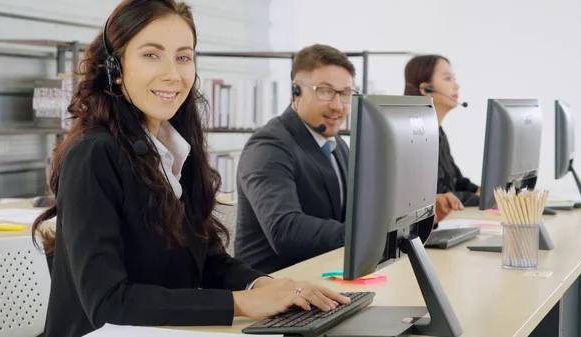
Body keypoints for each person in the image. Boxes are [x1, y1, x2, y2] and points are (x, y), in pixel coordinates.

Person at [31, 2, 349, 337]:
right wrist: (238, 305)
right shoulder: (93, 153)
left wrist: (269, 287)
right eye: (152, 55)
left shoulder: (174, 148)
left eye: (183, 57)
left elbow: (207, 261)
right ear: (116, 67)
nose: (172, 73)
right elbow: (109, 301)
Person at [235, 44, 459, 274]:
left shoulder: (335, 144)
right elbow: (285, 230)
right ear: (296, 90)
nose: (337, 106)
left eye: (345, 94)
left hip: (326, 275)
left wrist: (417, 219)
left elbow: (360, 209)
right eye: (324, 91)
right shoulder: (268, 146)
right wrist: (367, 234)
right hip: (277, 285)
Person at [404, 54, 480, 207]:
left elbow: (457, 181)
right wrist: (479, 198)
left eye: (454, 78)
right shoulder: (415, 135)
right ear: (426, 89)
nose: (456, 85)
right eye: (447, 78)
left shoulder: (437, 130)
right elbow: (437, 194)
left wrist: (482, 191)